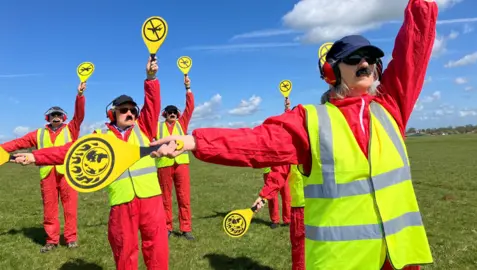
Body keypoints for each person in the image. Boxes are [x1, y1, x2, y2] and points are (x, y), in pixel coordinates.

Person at [148, 0, 438, 269]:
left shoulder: (391, 106)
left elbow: (416, 45)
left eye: (371, 59)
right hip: (342, 261)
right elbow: (256, 142)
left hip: (400, 259)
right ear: (332, 72)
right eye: (354, 59)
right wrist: (192, 141)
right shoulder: (310, 120)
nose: (365, 63)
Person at [12, 57, 169, 270]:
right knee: (124, 252)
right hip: (122, 203)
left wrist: (151, 78)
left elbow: (152, 103)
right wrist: (36, 156)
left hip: (151, 200)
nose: (130, 113)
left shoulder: (145, 129)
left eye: (133, 110)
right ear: (112, 113)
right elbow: (69, 151)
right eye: (124, 110)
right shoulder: (100, 136)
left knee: (157, 250)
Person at [0, 82, 86, 253]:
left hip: (68, 174)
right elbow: (18, 142)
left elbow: (80, 115)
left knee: (70, 208)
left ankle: (71, 238)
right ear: (48, 118)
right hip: (47, 175)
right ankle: (51, 240)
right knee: (49, 209)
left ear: (64, 117)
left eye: (59, 115)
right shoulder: (38, 133)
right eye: (53, 115)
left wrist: (80, 96)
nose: (56, 117)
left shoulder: (71, 129)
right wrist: (1, 149)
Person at [254, 97, 305, 270]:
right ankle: (277, 219)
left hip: (324, 210)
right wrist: (263, 196)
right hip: (301, 210)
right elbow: (279, 173)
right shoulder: (290, 145)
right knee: (302, 260)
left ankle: (283, 218)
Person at [155, 74, 195, 240]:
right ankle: (167, 228)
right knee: (165, 198)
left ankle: (186, 228)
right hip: (164, 165)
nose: (172, 114)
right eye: (169, 112)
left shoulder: (182, 123)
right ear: (164, 114)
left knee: (184, 197)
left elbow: (190, 107)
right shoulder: (157, 126)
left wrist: (187, 88)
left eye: (174, 112)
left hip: (182, 164)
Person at [259, 98, 292, 229]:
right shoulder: (265, 140)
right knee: (272, 197)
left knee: (287, 195)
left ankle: (288, 219)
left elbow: (289, 121)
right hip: (270, 171)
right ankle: (275, 220)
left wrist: (287, 107)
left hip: (285, 169)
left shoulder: (283, 135)